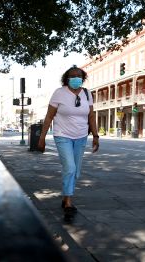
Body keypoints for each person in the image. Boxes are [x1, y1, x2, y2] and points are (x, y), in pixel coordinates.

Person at [37, 65, 99, 216]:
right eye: (73, 76)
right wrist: (42, 137)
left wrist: (96, 136)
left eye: (79, 76)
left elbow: (91, 116)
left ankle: (65, 197)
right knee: (70, 167)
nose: (76, 78)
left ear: (83, 78)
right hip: (62, 135)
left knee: (75, 171)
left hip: (81, 136)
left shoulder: (86, 94)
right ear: (67, 79)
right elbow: (49, 116)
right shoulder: (59, 93)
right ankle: (69, 203)